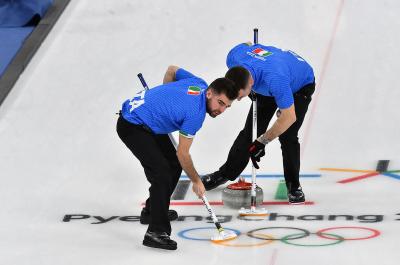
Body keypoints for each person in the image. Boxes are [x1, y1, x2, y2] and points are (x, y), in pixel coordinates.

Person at [116, 66, 238, 250]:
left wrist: (164, 99)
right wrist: (196, 181)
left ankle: (152, 211)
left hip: (150, 121)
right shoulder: (195, 115)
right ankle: (156, 232)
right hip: (132, 125)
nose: (222, 110)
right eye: (220, 103)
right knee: (162, 173)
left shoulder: (199, 84)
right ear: (209, 94)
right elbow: (183, 153)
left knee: (173, 165)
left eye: (227, 106)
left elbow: (172, 70)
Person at [201, 42, 315, 204]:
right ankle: (225, 173)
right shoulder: (234, 57)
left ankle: (293, 185)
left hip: (299, 84)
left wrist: (262, 141)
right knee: (251, 132)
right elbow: (248, 44)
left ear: (250, 84)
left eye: (240, 96)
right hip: (268, 80)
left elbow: (289, 117)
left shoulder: (276, 79)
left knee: (287, 135)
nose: (238, 100)